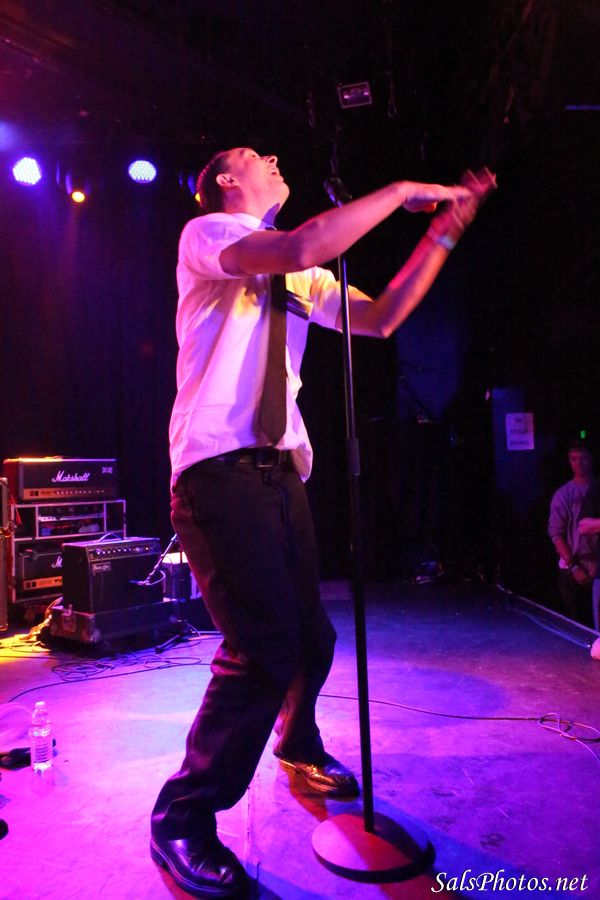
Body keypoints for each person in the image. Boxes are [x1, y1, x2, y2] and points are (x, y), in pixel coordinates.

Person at [150, 146, 496, 898]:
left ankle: (297, 743)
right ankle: (183, 816)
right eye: (254, 155)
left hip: (279, 472)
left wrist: (443, 232)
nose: (274, 156)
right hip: (218, 471)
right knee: (262, 647)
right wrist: (399, 186)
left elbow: (383, 317)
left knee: (313, 637)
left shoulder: (301, 274)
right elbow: (303, 243)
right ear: (225, 181)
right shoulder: (210, 234)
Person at [548, 440, 598, 625]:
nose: (578, 463)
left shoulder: (597, 489)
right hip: (574, 566)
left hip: (597, 565)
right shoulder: (564, 494)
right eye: (573, 459)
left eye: (583, 458)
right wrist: (574, 566)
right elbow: (556, 533)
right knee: (577, 622)